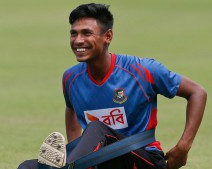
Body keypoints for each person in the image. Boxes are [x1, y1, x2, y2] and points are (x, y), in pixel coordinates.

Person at [17, 3, 207, 169]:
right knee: (27, 166)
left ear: (108, 36)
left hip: (144, 159)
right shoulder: (70, 78)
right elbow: (71, 110)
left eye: (86, 33)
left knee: (97, 129)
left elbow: (197, 92)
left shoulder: (143, 70)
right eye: (73, 33)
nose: (78, 40)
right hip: (100, 161)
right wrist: (75, 148)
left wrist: (183, 147)